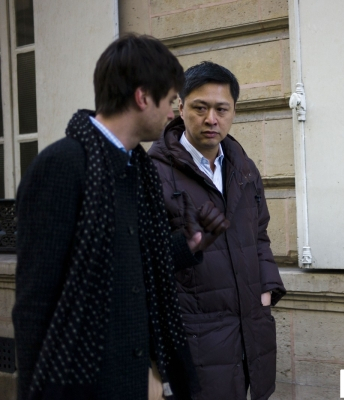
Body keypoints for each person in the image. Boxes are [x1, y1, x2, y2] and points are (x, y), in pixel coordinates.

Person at [12, 34, 228, 400]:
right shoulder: (63, 165)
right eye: (171, 100)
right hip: (84, 385)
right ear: (143, 97)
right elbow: (34, 304)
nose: (174, 112)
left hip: (141, 376)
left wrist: (187, 244)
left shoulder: (139, 169)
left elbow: (131, 262)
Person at [148, 61, 287, 400]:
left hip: (250, 325)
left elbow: (259, 235)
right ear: (180, 107)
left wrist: (267, 290)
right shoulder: (154, 173)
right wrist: (188, 244)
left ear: (234, 111)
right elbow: (144, 258)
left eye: (221, 109)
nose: (212, 119)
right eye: (200, 108)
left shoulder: (244, 168)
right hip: (195, 331)